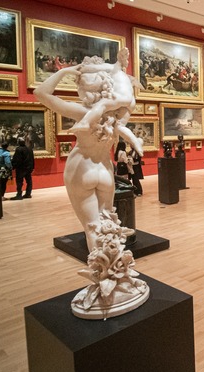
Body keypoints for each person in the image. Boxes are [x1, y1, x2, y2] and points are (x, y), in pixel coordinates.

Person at [33, 47, 143, 251]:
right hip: (105, 170)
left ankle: (102, 278)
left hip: (81, 168)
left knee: (93, 229)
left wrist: (63, 71)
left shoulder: (81, 112)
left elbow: (40, 93)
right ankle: (116, 273)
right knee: (109, 224)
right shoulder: (115, 116)